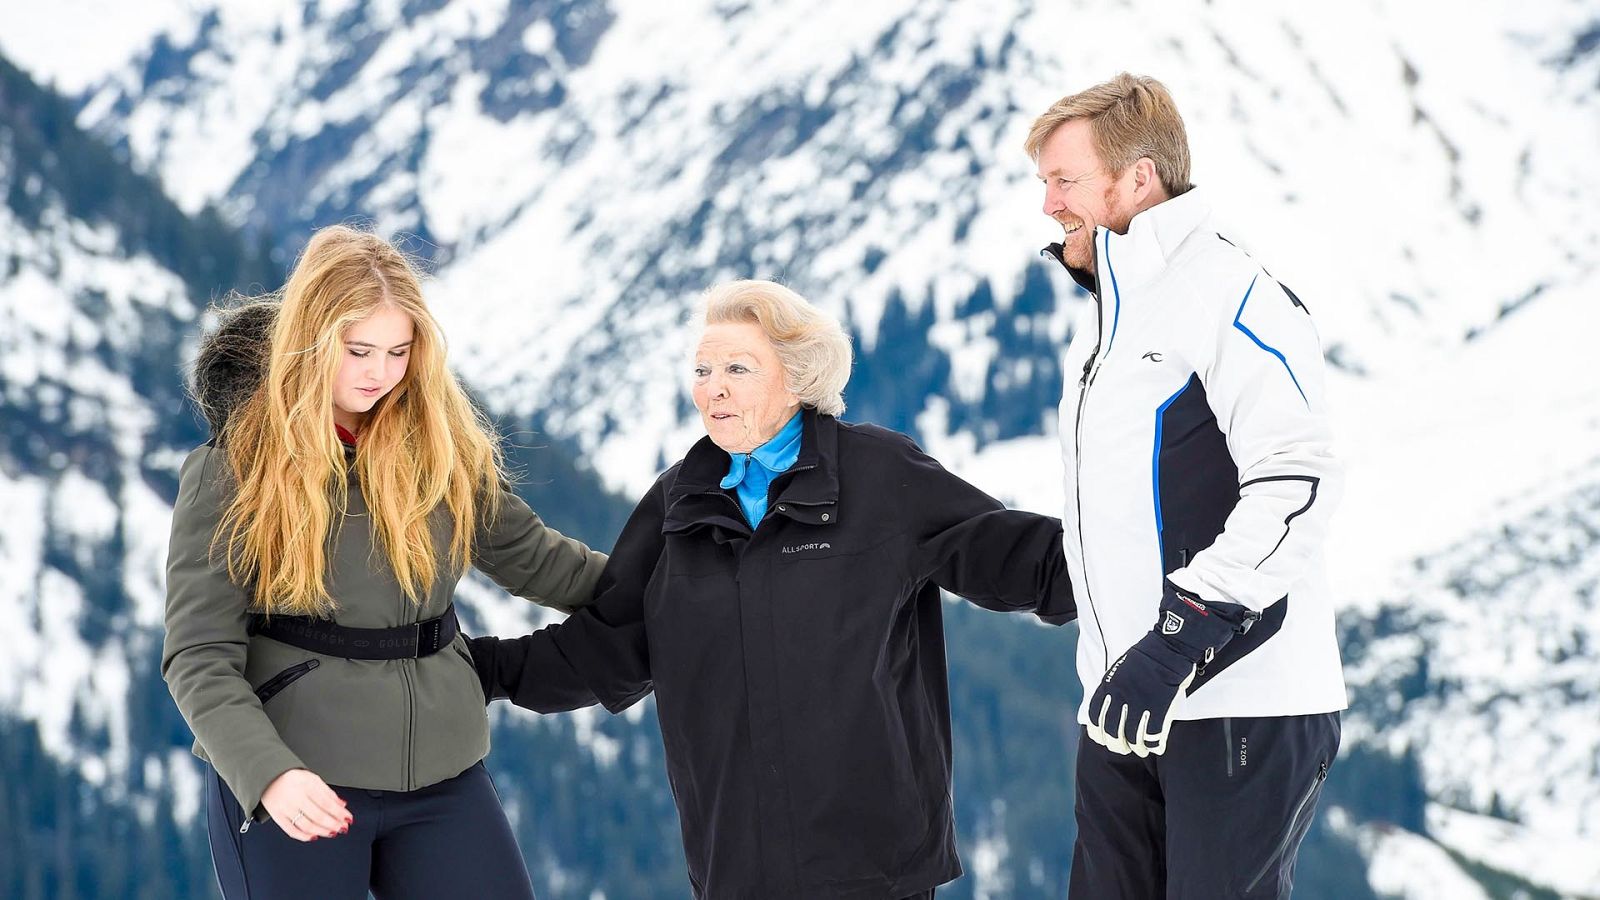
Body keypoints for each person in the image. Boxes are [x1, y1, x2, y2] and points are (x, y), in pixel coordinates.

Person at [469, 279, 1076, 900]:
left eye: (737, 367)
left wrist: (1131, 567)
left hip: (872, 863)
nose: (713, 387)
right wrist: (475, 667)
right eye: (703, 369)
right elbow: (609, 647)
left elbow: (1010, 555)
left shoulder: (879, 475)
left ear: (798, 379)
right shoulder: (680, 500)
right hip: (737, 864)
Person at [162, 225, 607, 899]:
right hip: (297, 781)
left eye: (399, 351)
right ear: (310, 340)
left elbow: (545, 564)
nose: (379, 372)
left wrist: (679, 590)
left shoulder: (441, 454)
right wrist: (268, 774)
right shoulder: (234, 472)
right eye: (358, 349)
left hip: (444, 779)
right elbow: (197, 654)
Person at [1025, 73, 1347, 898]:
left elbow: (1297, 478)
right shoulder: (1114, 317)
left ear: (1137, 177)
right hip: (1124, 703)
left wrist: (1179, 636)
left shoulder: (1229, 292)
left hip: (1238, 694)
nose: (1048, 203)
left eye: (1064, 180)